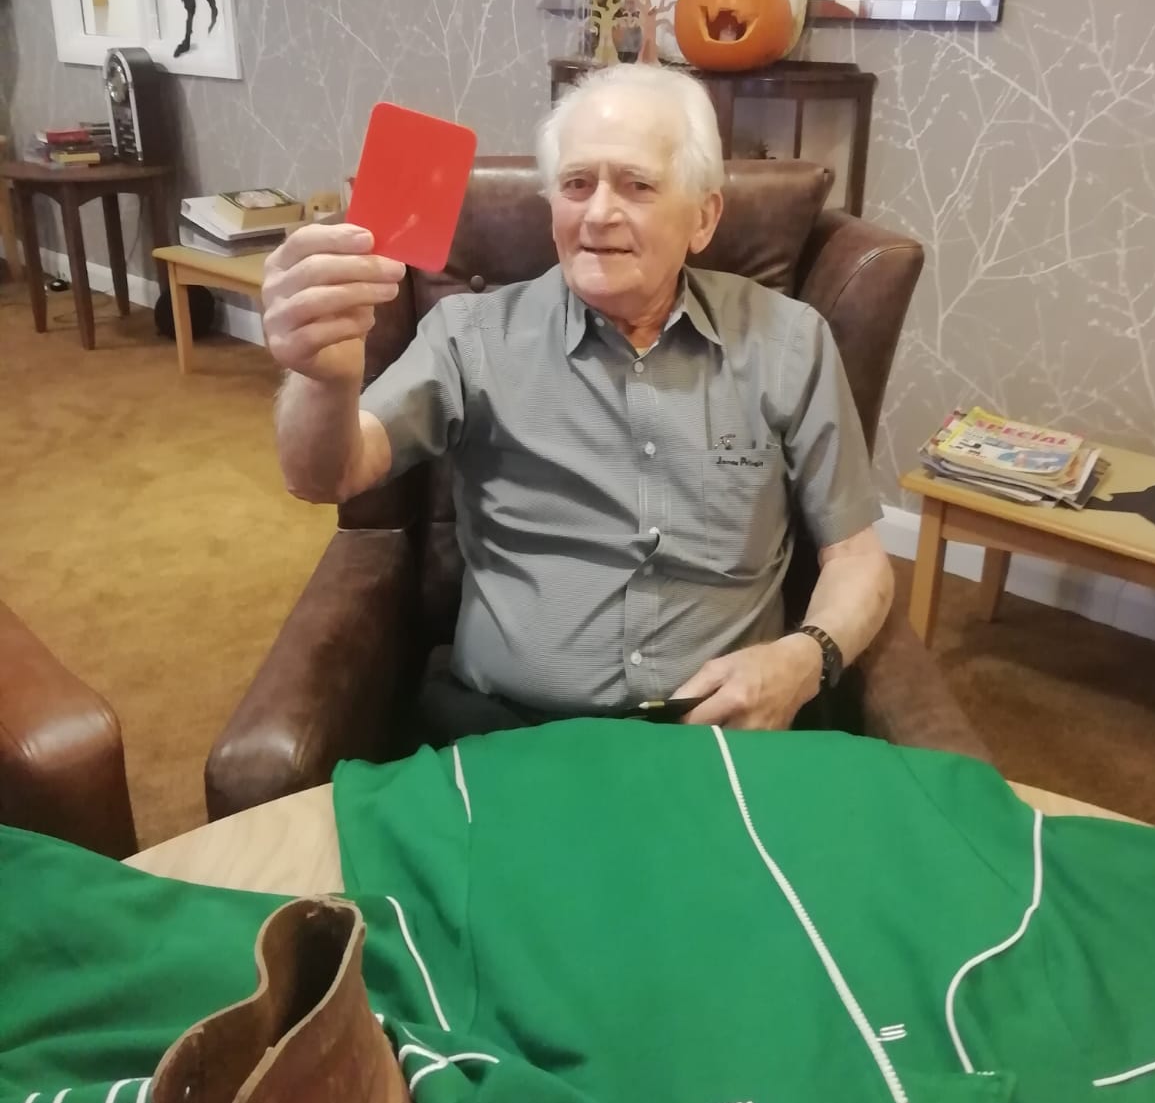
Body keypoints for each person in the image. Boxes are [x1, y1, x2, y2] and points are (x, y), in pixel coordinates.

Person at [263, 63, 893, 735]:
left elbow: (857, 559)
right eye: (576, 183)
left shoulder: (788, 342)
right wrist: (321, 380)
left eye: (637, 184)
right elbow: (325, 473)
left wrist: (805, 659)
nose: (598, 213)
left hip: (716, 742)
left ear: (704, 217)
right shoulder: (470, 336)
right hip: (509, 733)